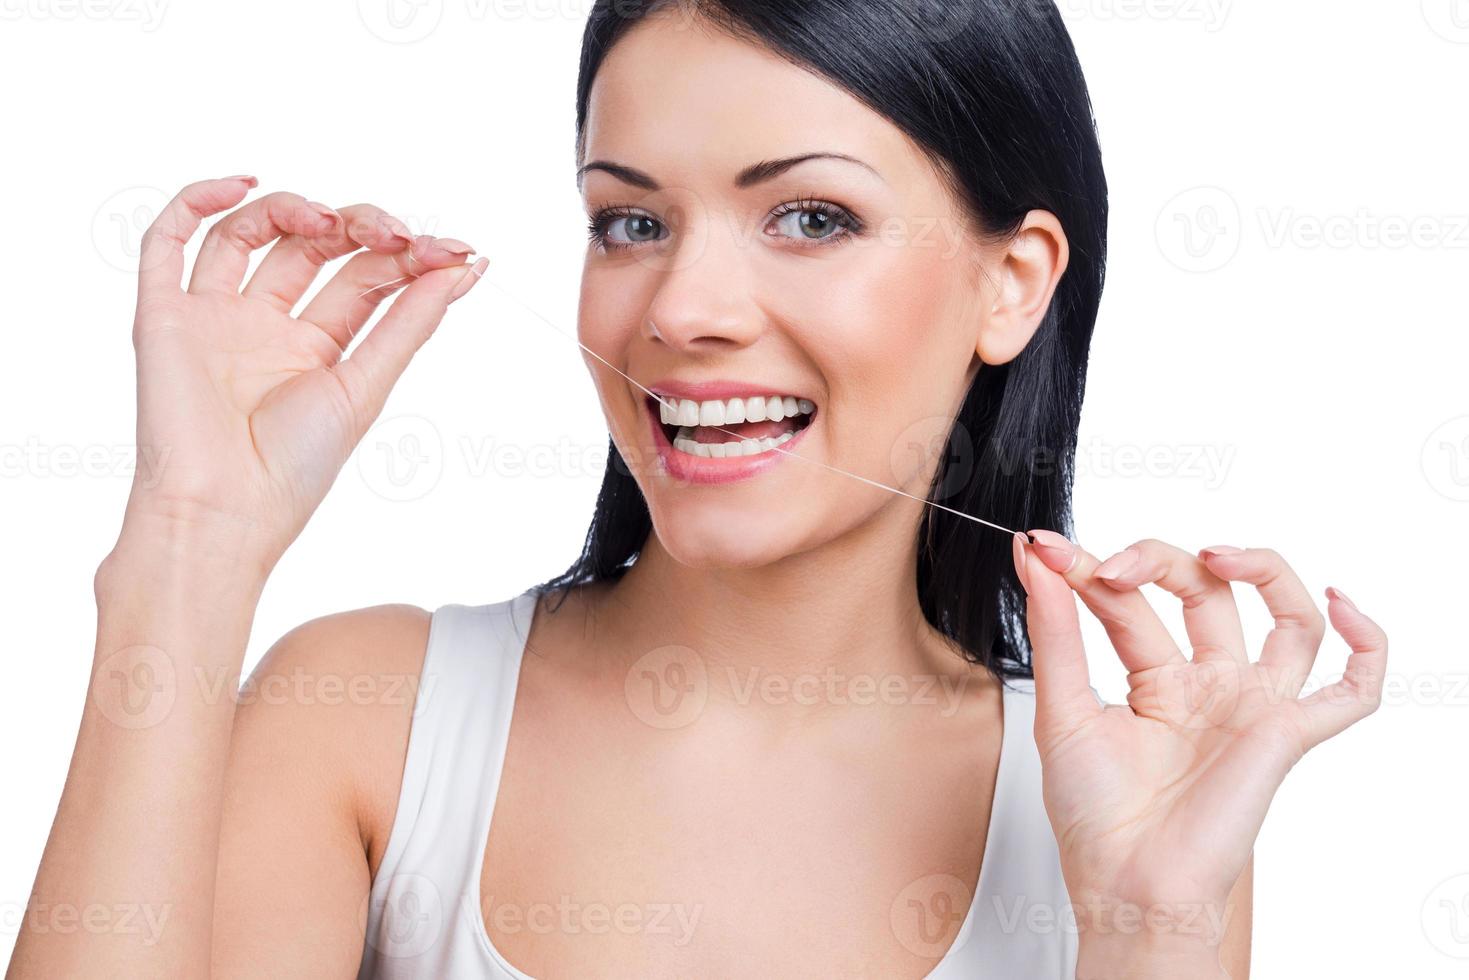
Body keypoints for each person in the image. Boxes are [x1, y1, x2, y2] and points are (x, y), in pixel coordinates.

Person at [9, 2, 1387, 978]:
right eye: (632, 221)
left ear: (1009, 281)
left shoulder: (1117, 792)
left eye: (809, 216)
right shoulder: (368, 720)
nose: (681, 308)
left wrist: (1155, 933)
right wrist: (189, 548)